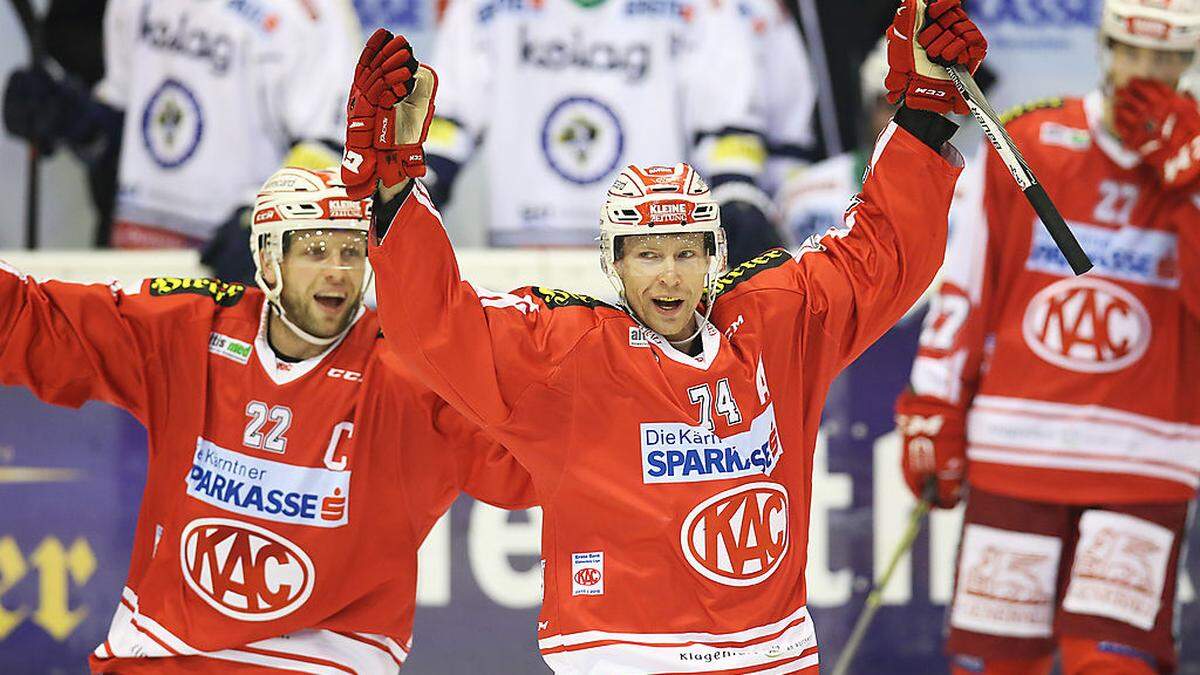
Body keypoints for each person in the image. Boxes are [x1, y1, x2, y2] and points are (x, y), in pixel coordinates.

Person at [340, 0, 987, 669]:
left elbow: (882, 258)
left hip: (767, 655)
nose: (670, 275)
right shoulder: (567, 354)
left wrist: (924, 116)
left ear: (715, 255)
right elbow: (435, 326)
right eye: (647, 254)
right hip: (622, 657)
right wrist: (392, 191)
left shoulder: (773, 326)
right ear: (614, 264)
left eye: (686, 251)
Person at [0, 167, 532, 671]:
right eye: (315, 250)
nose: (338, 270)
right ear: (269, 259)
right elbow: (35, 322)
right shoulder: (189, 332)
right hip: (161, 654)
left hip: (323, 659)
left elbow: (536, 459)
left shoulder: (410, 376)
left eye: (352, 251)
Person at [894, 0, 1200, 673]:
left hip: (1141, 461)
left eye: (1168, 58)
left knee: (1114, 664)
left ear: (1189, 62)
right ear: (1105, 48)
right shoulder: (1027, 139)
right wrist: (933, 404)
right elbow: (965, 291)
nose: (1146, 72)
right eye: (1132, 51)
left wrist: (1191, 186)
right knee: (996, 664)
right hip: (1018, 449)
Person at [419, 0, 783, 265]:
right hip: (524, 255)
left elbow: (725, 113)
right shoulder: (482, 9)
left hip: (654, 253)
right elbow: (450, 115)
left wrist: (737, 191)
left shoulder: (700, 10)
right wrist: (423, 183)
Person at [5, 0, 361, 261]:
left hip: (239, 278)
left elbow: (334, 147)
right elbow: (133, 127)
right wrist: (76, 120)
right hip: (135, 264)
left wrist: (267, 226)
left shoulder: (313, 13)